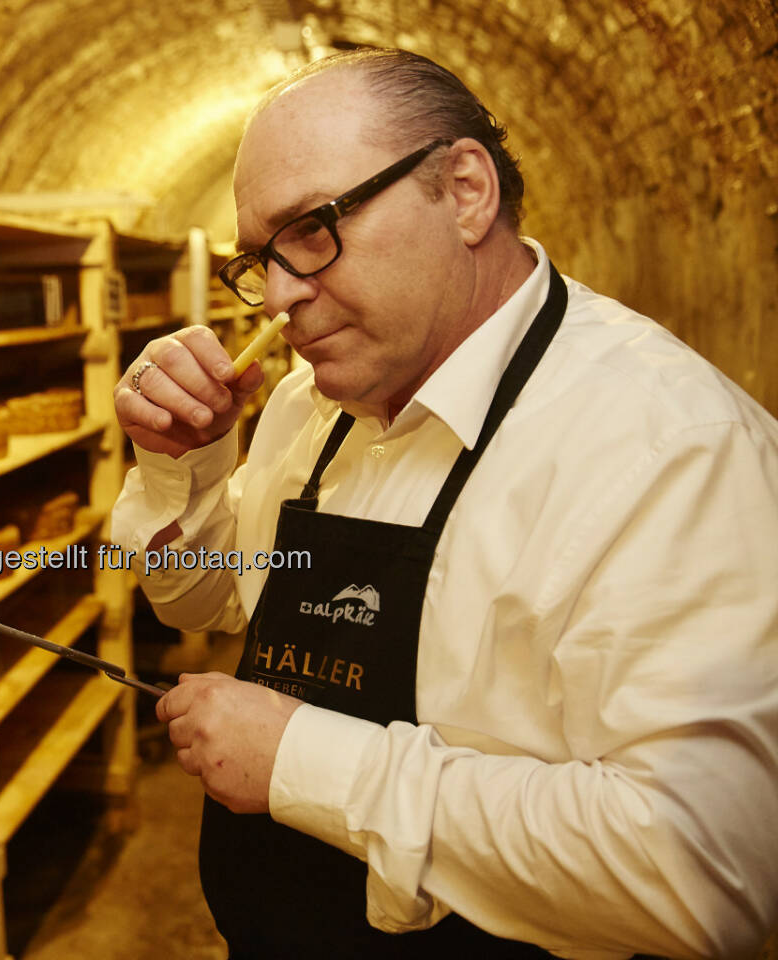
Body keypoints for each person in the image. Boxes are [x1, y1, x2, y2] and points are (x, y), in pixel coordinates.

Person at [110, 47, 778, 959]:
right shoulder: (312, 406)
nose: (280, 297)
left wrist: (303, 765)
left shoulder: (671, 449)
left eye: (312, 230)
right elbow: (201, 600)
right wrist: (175, 467)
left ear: (464, 191)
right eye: (258, 260)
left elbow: (707, 872)